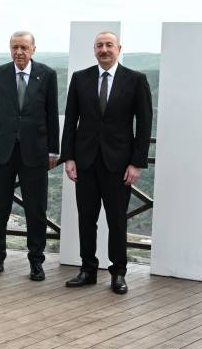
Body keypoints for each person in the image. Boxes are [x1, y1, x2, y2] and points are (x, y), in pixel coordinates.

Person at [60, 30, 153, 294]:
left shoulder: (135, 80)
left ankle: (118, 273)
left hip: (119, 165)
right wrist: (69, 157)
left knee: (117, 221)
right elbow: (71, 120)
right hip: (85, 162)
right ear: (94, 50)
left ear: (119, 49)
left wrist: (136, 163)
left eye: (109, 45)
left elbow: (144, 124)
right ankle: (87, 270)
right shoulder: (80, 78)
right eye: (99, 45)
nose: (104, 49)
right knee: (86, 219)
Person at [0, 31, 60, 281]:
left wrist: (53, 150)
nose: (19, 52)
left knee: (36, 210)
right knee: (0, 209)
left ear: (33, 49)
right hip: (2, 151)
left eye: (24, 47)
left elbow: (52, 113)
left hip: (35, 153)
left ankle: (36, 262)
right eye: (15, 47)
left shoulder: (47, 74)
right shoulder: (0, 73)